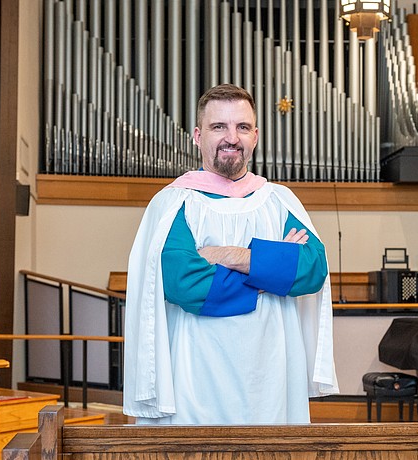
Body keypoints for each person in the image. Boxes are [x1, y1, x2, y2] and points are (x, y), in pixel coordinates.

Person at [123, 84, 338, 425]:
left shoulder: (278, 201)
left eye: (241, 127)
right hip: (196, 377)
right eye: (218, 127)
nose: (231, 137)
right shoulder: (175, 202)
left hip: (271, 378)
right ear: (198, 135)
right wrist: (274, 271)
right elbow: (183, 282)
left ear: (255, 135)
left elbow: (313, 268)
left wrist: (229, 255)